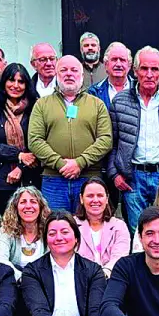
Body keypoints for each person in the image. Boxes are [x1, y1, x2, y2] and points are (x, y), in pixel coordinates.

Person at [107, 46, 159, 231]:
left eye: (154, 69)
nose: (149, 74)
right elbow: (112, 143)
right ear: (135, 71)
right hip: (132, 177)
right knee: (138, 231)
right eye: (144, 68)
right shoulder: (120, 101)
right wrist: (114, 174)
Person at [28, 54, 113, 213]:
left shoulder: (97, 104)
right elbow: (35, 140)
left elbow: (105, 139)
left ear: (81, 75)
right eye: (64, 70)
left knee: (89, 227)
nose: (69, 74)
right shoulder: (42, 104)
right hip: (54, 180)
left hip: (89, 179)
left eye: (74, 70)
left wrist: (80, 163)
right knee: (55, 227)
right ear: (56, 74)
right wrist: (61, 164)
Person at [0, 63, 41, 241]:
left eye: (21, 81)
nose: (16, 85)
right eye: (11, 80)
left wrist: (21, 166)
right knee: (4, 230)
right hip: (1, 179)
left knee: (31, 229)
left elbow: (39, 143)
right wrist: (18, 155)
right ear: (3, 83)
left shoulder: (36, 108)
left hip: (32, 175)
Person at [76, 176, 129, 277]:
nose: (95, 200)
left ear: (107, 199)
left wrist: (104, 274)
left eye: (100, 196)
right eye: (90, 196)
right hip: (81, 279)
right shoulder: (71, 225)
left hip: (111, 279)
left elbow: (119, 257)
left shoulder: (119, 226)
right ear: (81, 199)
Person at [0, 185, 50, 281]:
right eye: (23, 202)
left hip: (41, 281)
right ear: (16, 207)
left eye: (33, 202)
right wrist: (22, 278)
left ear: (40, 207)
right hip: (12, 280)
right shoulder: (5, 231)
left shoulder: (48, 230)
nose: (28, 206)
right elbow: (1, 261)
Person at [89, 41, 132, 110]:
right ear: (106, 65)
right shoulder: (94, 93)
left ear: (129, 65)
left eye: (122, 60)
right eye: (114, 60)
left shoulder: (138, 89)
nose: (118, 64)